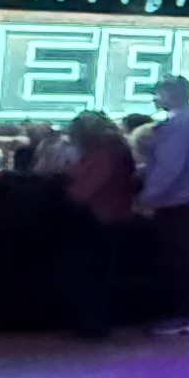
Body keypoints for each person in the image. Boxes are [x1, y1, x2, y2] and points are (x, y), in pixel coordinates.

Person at [137, 74, 189, 334]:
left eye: (159, 93)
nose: (155, 98)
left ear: (172, 94)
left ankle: (182, 315)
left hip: (179, 201)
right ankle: (187, 312)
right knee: (188, 260)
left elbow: (169, 167)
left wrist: (148, 196)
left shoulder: (177, 126)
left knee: (177, 261)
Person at [57, 110, 140, 338]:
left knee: (88, 275)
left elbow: (83, 190)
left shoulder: (102, 152)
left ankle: (91, 325)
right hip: (117, 216)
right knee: (101, 275)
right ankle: (96, 324)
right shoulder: (118, 149)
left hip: (98, 218)